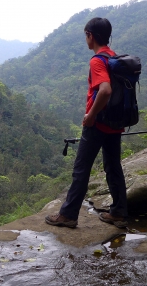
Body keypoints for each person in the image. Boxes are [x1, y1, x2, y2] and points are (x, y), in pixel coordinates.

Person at [45, 17, 128, 229]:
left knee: (81, 169)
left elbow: (106, 90)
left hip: (98, 124)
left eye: (86, 35)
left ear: (90, 35)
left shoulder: (97, 61)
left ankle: (68, 215)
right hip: (115, 123)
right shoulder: (114, 57)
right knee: (113, 167)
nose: (86, 39)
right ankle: (118, 211)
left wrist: (91, 115)